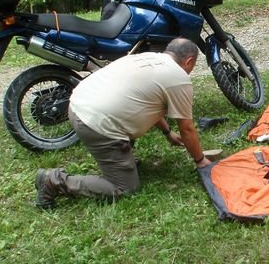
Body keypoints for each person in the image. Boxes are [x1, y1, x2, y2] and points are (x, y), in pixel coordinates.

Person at [34, 37, 212, 209]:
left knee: (127, 109)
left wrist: (167, 132)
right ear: (189, 61)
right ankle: (54, 180)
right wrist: (201, 160)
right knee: (124, 188)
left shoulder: (145, 57)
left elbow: (146, 101)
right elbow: (187, 128)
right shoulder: (178, 78)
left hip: (78, 105)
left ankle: (120, 160)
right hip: (96, 123)